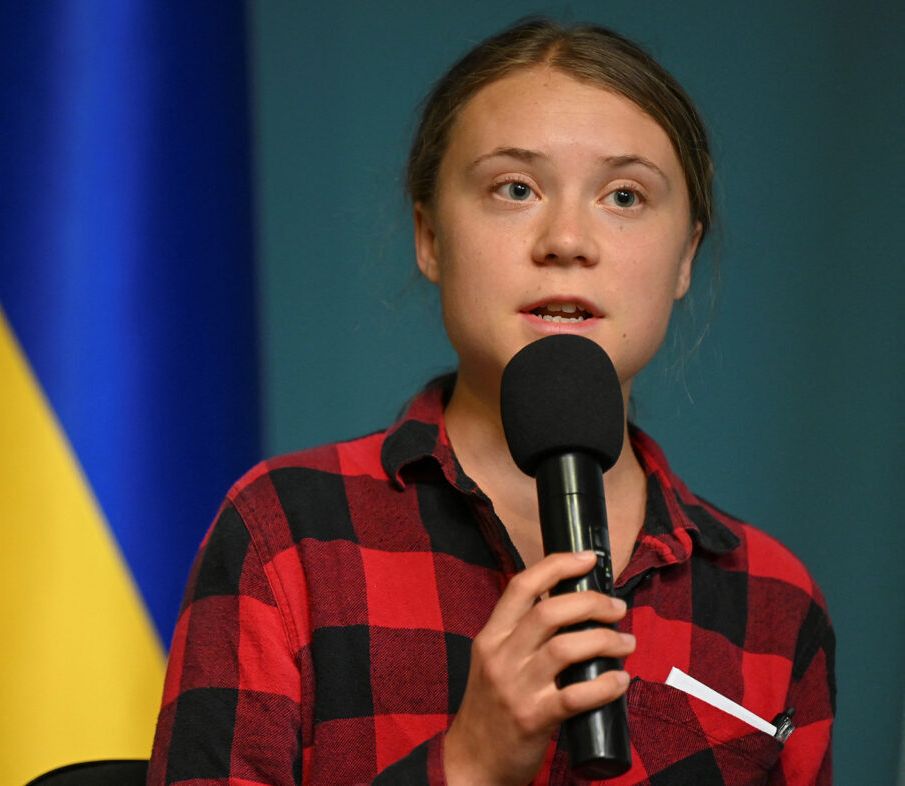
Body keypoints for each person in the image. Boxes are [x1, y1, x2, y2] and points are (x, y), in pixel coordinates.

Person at [148, 19, 835, 785]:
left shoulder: (775, 599)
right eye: (516, 188)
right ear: (430, 236)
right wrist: (468, 764)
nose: (568, 239)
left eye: (624, 195)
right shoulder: (287, 533)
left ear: (684, 259)